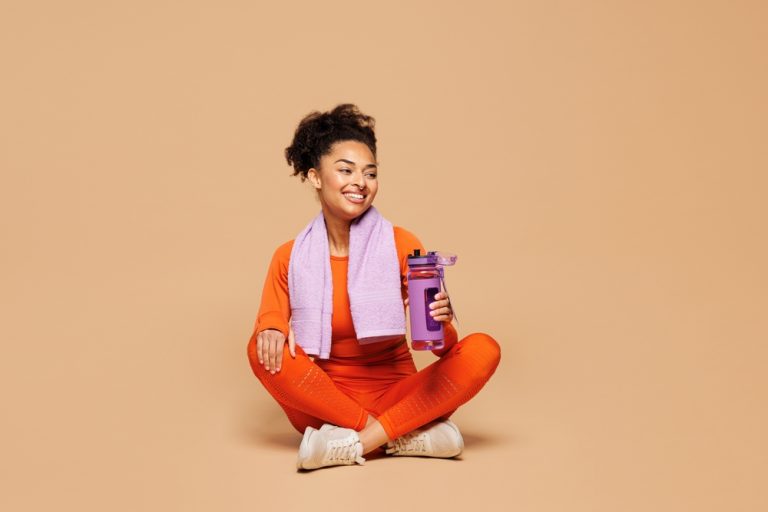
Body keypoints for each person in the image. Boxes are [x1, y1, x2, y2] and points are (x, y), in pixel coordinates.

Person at [246, 103, 501, 471]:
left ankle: (355, 444)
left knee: (483, 349)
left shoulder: (401, 244)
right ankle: (399, 435)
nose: (360, 182)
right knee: (259, 350)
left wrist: (441, 321)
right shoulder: (289, 257)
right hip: (323, 403)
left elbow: (442, 347)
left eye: (370, 172)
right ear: (316, 177)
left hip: (398, 394)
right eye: (345, 170)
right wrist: (269, 328)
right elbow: (269, 327)